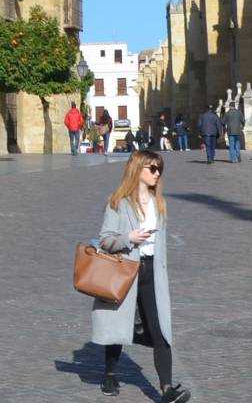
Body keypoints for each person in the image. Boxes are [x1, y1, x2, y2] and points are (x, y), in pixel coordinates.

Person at [89, 150, 191, 403]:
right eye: (152, 169)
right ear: (138, 170)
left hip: (152, 272)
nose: (157, 173)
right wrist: (128, 239)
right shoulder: (119, 202)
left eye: (159, 169)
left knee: (161, 330)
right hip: (125, 270)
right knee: (118, 324)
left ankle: (167, 389)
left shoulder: (159, 203)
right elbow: (105, 240)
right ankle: (110, 374)